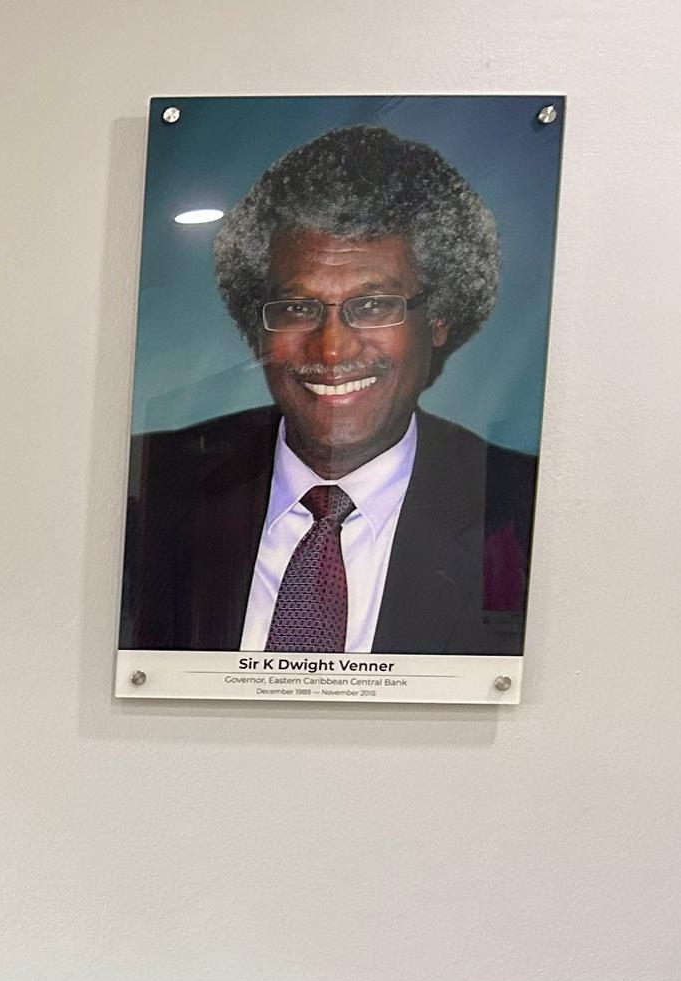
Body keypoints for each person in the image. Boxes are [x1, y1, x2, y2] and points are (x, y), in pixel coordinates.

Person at [120, 124, 535, 656]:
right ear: (257, 328)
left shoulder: (521, 510)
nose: (333, 349)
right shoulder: (148, 488)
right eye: (298, 308)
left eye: (373, 305)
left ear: (437, 318)